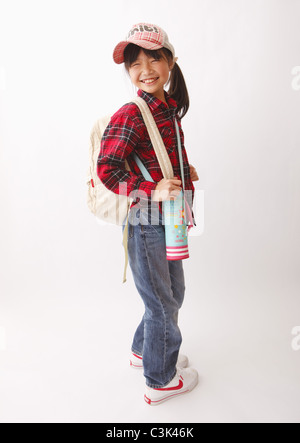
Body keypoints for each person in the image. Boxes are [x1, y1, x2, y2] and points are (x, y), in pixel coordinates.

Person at [97, 23, 199, 406]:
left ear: (171, 61)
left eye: (154, 57)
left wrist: (184, 174)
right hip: (146, 224)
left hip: (169, 218)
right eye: (134, 63)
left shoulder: (168, 109)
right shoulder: (132, 113)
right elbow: (108, 168)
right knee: (162, 302)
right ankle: (160, 379)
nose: (145, 69)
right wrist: (151, 190)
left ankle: (144, 351)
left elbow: (162, 155)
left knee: (172, 293)